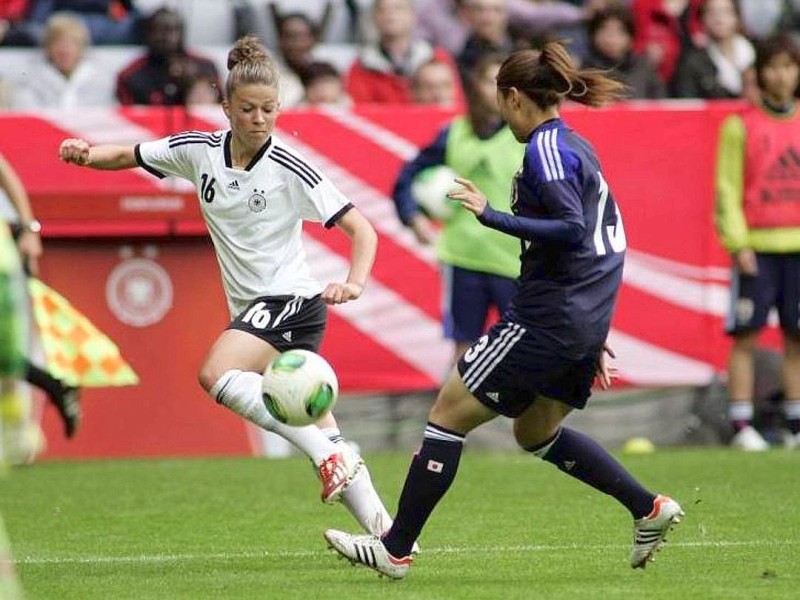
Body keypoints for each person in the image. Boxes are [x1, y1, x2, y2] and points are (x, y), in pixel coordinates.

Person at [324, 41, 684, 579]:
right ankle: (648, 508)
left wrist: (491, 216)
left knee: (448, 414)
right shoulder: (577, 147)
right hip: (576, 318)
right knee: (533, 433)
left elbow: (570, 229)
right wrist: (590, 331)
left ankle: (395, 548)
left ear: (515, 98)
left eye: (500, 100)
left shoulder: (545, 150)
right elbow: (601, 246)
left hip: (546, 319)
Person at [59, 34, 399, 539]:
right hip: (255, 309)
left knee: (216, 373)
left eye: (268, 110)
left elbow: (362, 229)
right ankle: (390, 542)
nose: (259, 120)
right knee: (320, 426)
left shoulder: (290, 166)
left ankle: (331, 457)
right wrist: (88, 155)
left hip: (290, 302)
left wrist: (354, 282)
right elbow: (129, 153)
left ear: (279, 109)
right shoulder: (198, 151)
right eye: (247, 110)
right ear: (226, 109)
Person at [395, 52, 521, 366]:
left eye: (504, 84)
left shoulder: (529, 136)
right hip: (464, 257)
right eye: (490, 82)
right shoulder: (454, 132)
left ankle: (527, 415)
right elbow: (406, 177)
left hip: (516, 260)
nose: (497, 91)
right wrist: (414, 217)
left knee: (523, 348)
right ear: (475, 85)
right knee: (464, 347)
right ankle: (449, 416)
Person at [715, 33, 800, 450]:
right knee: (745, 336)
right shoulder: (740, 125)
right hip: (757, 249)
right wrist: (739, 243)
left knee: (796, 337)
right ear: (760, 73)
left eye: (789, 66)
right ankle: (741, 425)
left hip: (798, 249)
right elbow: (727, 188)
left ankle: (795, 426)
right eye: (773, 67)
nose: (781, 75)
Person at [0, 152, 81, 439]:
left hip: (4, 252)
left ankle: (24, 428)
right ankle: (53, 386)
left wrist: (28, 229)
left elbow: (4, 171)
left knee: (10, 348)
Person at [346, 0, 463, 105]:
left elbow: (455, 104)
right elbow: (359, 113)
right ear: (374, 17)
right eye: (383, 10)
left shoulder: (438, 58)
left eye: (398, 8)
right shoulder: (361, 66)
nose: (390, 15)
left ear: (413, 15)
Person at [116, 7, 220, 106]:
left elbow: (223, 109)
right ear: (148, 33)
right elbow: (129, 116)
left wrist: (191, 83)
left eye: (172, 30)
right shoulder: (131, 76)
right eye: (160, 30)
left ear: (182, 33)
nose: (166, 37)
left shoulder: (205, 67)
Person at [13, 12, 115, 109]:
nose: (65, 50)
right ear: (48, 47)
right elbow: (27, 114)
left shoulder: (101, 80)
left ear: (82, 47)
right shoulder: (29, 79)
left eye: (72, 44)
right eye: (59, 43)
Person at [671, 0, 755, 99]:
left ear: (737, 17)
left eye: (725, 11)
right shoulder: (692, 63)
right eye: (711, 12)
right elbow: (688, 104)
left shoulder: (755, 54)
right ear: (702, 20)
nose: (719, 19)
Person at [583, 3, 666, 100]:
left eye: (619, 31)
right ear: (593, 34)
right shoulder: (585, 70)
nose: (611, 37)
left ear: (630, 36)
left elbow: (660, 102)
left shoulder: (644, 66)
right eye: (604, 29)